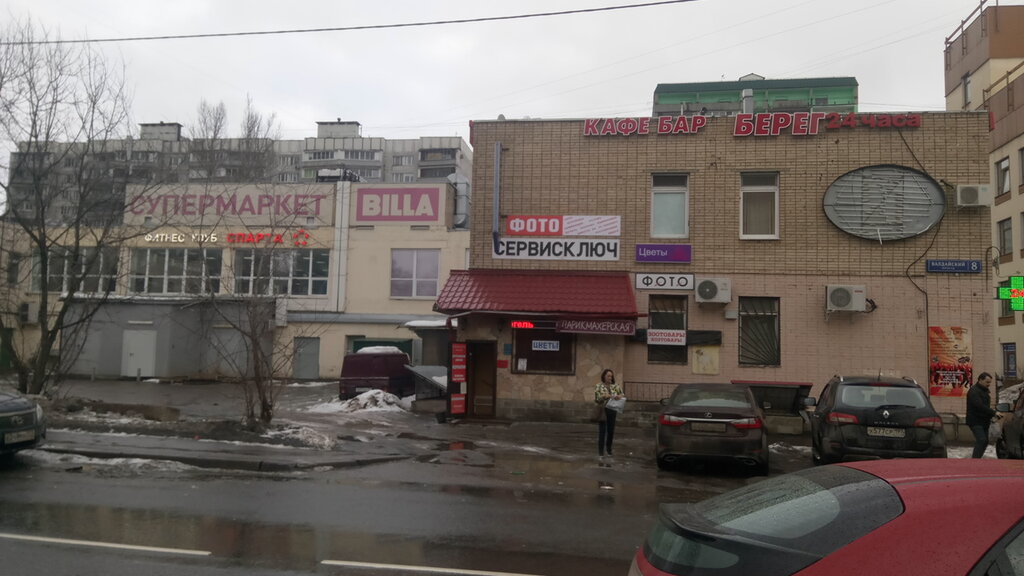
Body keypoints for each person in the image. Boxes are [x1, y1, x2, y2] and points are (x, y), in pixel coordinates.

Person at [966, 372, 997, 459]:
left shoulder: (984, 391)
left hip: (984, 421)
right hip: (975, 420)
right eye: (987, 382)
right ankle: (975, 460)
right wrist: (993, 412)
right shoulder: (974, 391)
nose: (989, 384)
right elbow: (979, 406)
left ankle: (978, 458)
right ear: (980, 380)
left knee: (985, 441)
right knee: (981, 439)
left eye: (990, 382)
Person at [594, 368, 624, 458]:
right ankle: (600, 452)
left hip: (612, 410)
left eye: (611, 376)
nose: (610, 377)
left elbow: (622, 394)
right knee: (602, 431)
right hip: (603, 410)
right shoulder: (599, 386)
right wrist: (605, 396)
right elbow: (597, 398)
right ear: (604, 376)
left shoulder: (615, 386)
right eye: (608, 376)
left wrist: (619, 396)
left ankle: (609, 449)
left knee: (611, 431)